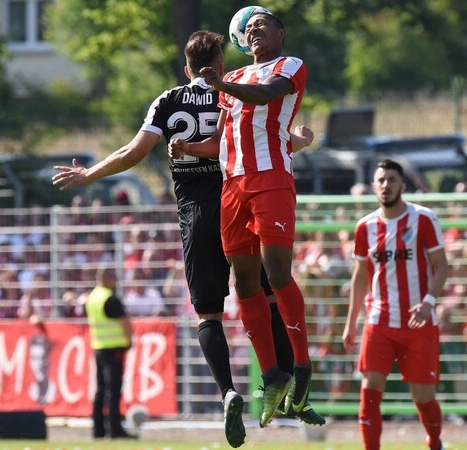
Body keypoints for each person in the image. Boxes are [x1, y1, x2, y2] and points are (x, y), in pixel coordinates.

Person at [53, 29, 322, 447]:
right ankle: (285, 377)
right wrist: (297, 143)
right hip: (241, 195)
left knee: (209, 315)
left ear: (186, 68)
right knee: (268, 290)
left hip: (198, 213)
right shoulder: (233, 91)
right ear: (220, 65)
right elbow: (253, 137)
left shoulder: (170, 99)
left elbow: (134, 152)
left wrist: (89, 174)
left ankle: (229, 391)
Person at [168, 8, 316, 430]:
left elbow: (267, 95)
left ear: (281, 33)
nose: (253, 29)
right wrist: (189, 148)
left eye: (262, 24)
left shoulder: (289, 66)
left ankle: (301, 366)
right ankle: (272, 375)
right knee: (245, 283)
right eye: (248, 27)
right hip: (231, 186)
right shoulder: (229, 81)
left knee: (278, 274)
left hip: (270, 178)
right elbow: (223, 138)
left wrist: (221, 83)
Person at [342, 159, 449, 450]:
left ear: (403, 185)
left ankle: (435, 442)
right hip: (379, 321)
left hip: (419, 322)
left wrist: (428, 302)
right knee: (370, 388)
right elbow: (360, 276)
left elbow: (441, 266)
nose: (386, 185)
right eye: (381, 180)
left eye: (391, 179)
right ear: (374, 186)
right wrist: (351, 323)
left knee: (424, 397)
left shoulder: (423, 219)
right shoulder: (365, 226)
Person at [86, 267, 135, 440]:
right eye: (113, 277)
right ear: (106, 278)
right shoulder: (110, 298)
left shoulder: (92, 297)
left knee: (100, 390)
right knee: (113, 390)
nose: (116, 281)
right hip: (114, 348)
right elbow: (124, 322)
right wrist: (130, 340)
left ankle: (97, 430)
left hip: (98, 346)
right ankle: (115, 430)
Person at [27, 333, 56, 405]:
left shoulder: (54, 392)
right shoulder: (30, 392)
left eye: (43, 358)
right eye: (34, 358)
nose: (38, 365)